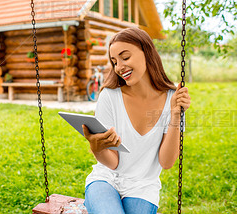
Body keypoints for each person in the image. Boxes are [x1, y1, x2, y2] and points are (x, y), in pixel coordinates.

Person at [82, 27, 191, 214]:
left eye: (125, 57)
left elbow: (166, 162)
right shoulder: (109, 97)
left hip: (143, 188)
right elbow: (113, 163)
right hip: (105, 180)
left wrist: (175, 115)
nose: (119, 67)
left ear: (147, 53)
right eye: (114, 61)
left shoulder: (172, 99)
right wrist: (96, 147)